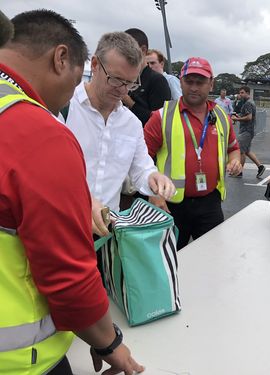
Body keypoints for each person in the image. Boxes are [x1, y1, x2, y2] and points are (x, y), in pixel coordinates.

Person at [0, 9, 143, 374]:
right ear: (61, 58)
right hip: (21, 359)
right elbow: (66, 275)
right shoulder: (37, 129)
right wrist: (109, 343)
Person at [65, 31, 176, 237]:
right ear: (96, 65)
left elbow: (141, 169)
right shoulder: (64, 109)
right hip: (61, 228)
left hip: (107, 233)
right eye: (116, 80)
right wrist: (83, 202)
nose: (123, 91)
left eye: (130, 83)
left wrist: (154, 178)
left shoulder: (131, 123)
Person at [144, 57, 242, 249]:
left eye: (200, 82)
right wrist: (153, 193)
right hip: (171, 205)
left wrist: (235, 162)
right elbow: (141, 159)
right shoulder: (162, 116)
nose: (194, 88)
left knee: (211, 260)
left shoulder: (222, 116)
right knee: (170, 263)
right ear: (180, 81)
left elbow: (234, 149)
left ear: (211, 84)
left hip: (210, 203)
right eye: (189, 82)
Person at [122, 28, 171, 125]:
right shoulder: (122, 78)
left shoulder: (157, 81)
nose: (123, 55)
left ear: (143, 50)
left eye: (127, 50)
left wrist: (128, 101)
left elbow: (160, 122)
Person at [232, 86, 266, 178]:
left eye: (242, 92)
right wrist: (239, 116)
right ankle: (260, 166)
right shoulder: (249, 102)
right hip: (249, 130)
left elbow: (249, 117)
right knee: (247, 151)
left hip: (246, 130)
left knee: (241, 151)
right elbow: (247, 116)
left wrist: (236, 119)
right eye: (240, 93)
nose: (240, 94)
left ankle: (239, 172)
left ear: (247, 93)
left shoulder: (248, 103)